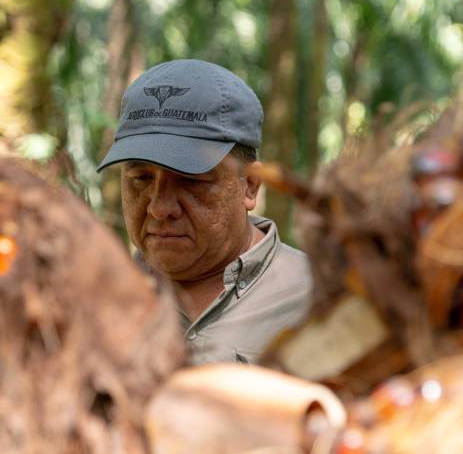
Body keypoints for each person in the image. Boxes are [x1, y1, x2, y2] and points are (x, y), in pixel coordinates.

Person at [98, 59, 312, 364]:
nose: (159, 207)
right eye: (141, 179)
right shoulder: (96, 299)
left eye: (191, 181)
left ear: (250, 185)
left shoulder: (317, 301)